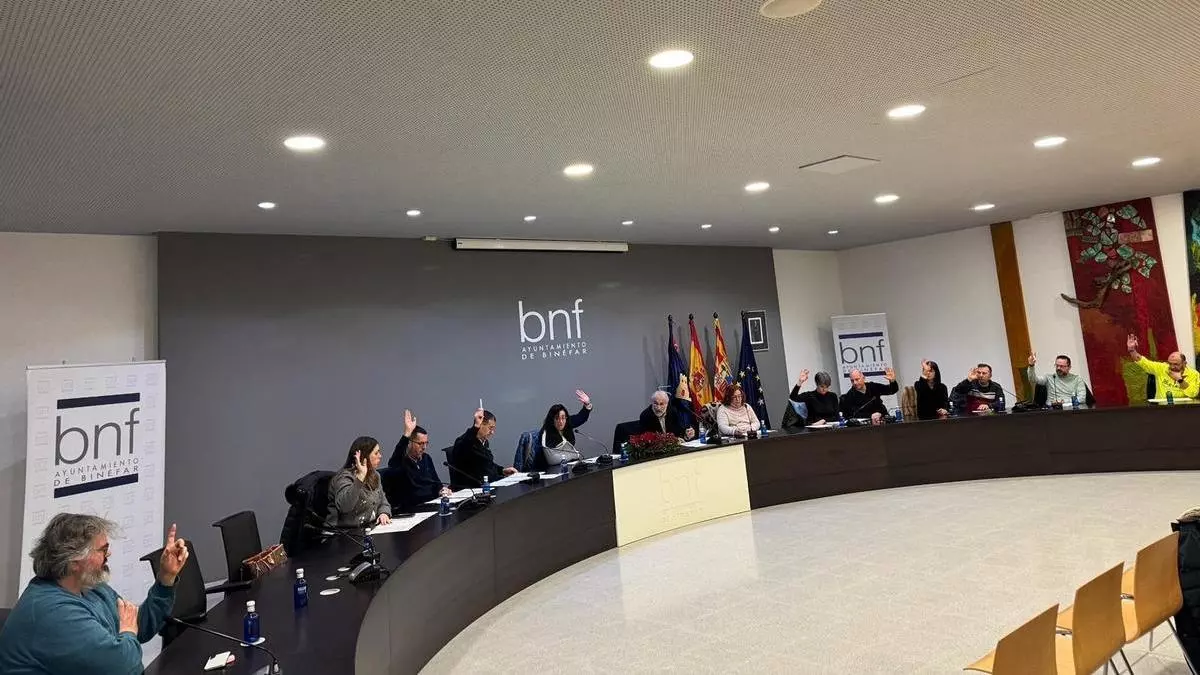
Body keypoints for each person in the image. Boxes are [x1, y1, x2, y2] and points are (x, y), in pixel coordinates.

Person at [0, 514, 188, 674]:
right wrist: (128, 632)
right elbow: (125, 668)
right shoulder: (53, 613)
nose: (109, 555)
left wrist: (166, 577)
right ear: (74, 561)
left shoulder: (90, 587)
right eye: (103, 550)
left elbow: (139, 625)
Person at [387, 409, 452, 511]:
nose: (424, 447)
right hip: (412, 509)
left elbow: (436, 483)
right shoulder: (401, 463)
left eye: (426, 443)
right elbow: (394, 460)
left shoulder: (426, 458)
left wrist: (442, 490)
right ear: (410, 442)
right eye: (420, 443)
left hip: (431, 505)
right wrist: (406, 434)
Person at [327, 436, 392, 528]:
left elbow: (383, 502)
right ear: (364, 457)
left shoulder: (375, 475)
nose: (380, 456)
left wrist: (384, 513)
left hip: (365, 528)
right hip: (342, 531)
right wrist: (360, 479)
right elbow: (345, 507)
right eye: (376, 453)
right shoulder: (343, 478)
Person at [449, 408, 517, 487]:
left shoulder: (484, 442)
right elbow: (466, 442)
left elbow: (487, 465)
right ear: (481, 425)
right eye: (490, 428)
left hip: (489, 484)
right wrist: (476, 426)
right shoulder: (463, 442)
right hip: (472, 488)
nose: (492, 432)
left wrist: (502, 470)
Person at [1127, 334, 1200, 399]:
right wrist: (1132, 350)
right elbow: (1142, 361)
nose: (1172, 367)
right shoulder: (1161, 368)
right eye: (1170, 363)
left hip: (1183, 407)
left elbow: (1193, 394)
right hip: (1162, 406)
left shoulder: (1193, 374)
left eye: (1176, 364)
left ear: (1184, 363)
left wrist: (1180, 380)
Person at [537, 390, 594, 468]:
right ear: (552, 419)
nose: (561, 421)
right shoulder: (546, 432)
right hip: (551, 468)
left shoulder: (567, 423)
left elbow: (580, 417)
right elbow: (551, 458)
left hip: (569, 465)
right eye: (557, 418)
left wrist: (587, 404)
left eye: (563, 418)